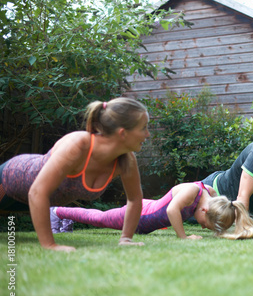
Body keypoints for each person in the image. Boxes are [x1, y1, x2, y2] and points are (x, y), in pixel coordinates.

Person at [0, 97, 149, 251]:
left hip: (29, 203)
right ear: (123, 133)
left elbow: (135, 199)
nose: (148, 134)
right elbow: (38, 191)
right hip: (9, 179)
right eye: (143, 128)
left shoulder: (126, 160)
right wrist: (49, 245)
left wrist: (125, 238)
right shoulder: (79, 145)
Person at [50, 181, 253, 240]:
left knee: (100, 218)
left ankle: (64, 218)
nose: (203, 227)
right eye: (204, 224)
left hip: (148, 220)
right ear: (205, 210)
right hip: (139, 215)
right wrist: (184, 237)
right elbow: (171, 210)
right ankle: (57, 212)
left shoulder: (211, 194)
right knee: (100, 218)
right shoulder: (192, 191)